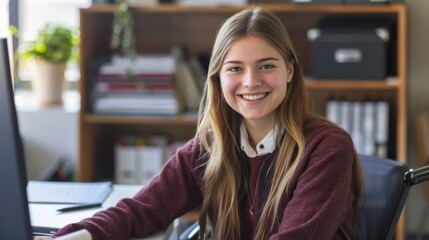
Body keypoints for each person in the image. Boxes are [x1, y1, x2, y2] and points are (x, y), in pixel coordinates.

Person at [36, 6, 364, 240]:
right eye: (235, 68)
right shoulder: (212, 145)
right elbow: (143, 209)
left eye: (266, 66)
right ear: (218, 78)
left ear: (290, 71)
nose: (251, 82)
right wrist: (81, 235)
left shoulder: (326, 147)